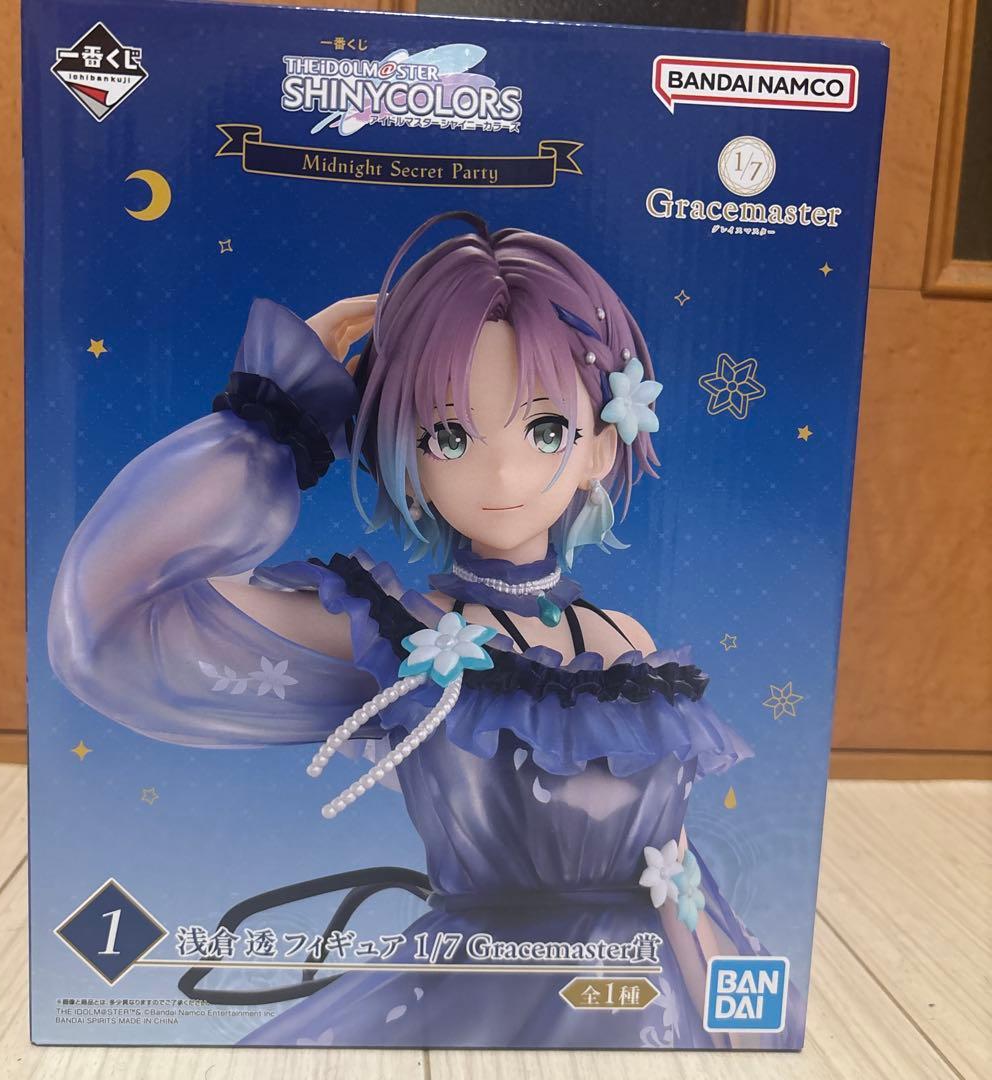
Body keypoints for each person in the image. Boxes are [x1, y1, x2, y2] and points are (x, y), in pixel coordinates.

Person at [48, 211, 803, 1048]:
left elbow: (675, 870)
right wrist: (280, 414)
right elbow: (111, 614)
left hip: (644, 1006)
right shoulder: (404, 637)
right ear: (404, 455)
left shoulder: (628, 644)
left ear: (601, 445)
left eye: (546, 429)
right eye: (449, 435)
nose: (503, 471)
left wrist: (738, 1026)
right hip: (483, 999)